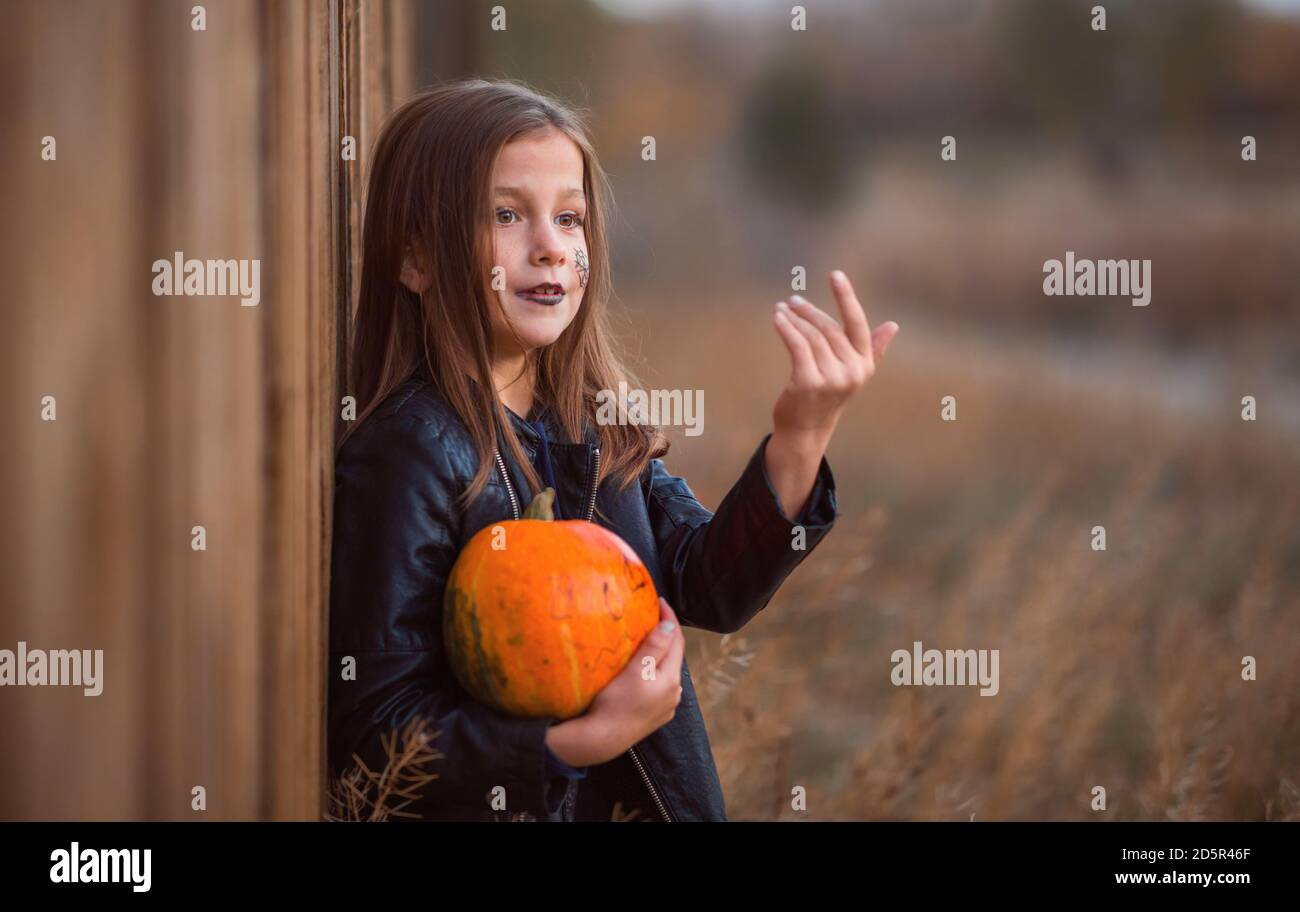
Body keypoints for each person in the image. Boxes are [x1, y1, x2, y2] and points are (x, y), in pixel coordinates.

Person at [327, 78, 899, 822]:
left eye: (570, 218)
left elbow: (706, 585)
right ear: (416, 260)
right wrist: (581, 743)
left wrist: (802, 435)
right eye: (507, 215)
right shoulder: (410, 453)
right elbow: (378, 744)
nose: (550, 247)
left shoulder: (591, 428)